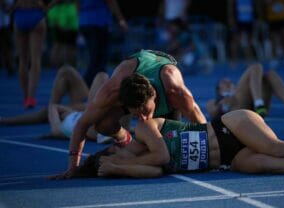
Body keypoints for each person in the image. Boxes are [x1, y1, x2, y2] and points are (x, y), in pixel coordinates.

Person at [52, 109, 284, 179]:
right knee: (270, 166)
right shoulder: (138, 164)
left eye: (115, 149)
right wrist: (111, 169)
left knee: (277, 148)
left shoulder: (144, 133)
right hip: (229, 159)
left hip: (229, 126)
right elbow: (154, 171)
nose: (119, 148)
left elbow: (162, 154)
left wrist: (115, 163)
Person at [60, 49, 207, 179]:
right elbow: (82, 124)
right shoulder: (112, 91)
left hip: (162, 74)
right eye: (136, 116)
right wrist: (73, 166)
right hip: (131, 75)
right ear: (122, 102)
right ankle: (125, 139)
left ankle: (136, 143)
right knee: (102, 125)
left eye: (145, 111)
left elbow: (204, 127)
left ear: (154, 96)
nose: (143, 119)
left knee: (172, 151)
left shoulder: (175, 92)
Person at [0, 65, 108, 142]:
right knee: (66, 71)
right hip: (90, 106)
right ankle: (52, 118)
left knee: (101, 77)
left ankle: (6, 120)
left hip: (90, 111)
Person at [206, 63, 284, 120]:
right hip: (238, 110)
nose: (229, 82)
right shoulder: (214, 101)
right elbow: (212, 112)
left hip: (254, 109)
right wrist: (221, 105)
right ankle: (259, 104)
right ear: (219, 90)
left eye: (230, 82)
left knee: (269, 75)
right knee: (256, 66)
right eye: (225, 83)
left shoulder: (242, 90)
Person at [11, 0, 47, 108]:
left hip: (20, 14)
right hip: (36, 13)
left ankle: (26, 97)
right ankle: (31, 98)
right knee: (35, 60)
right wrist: (47, 6)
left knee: (23, 60)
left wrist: (9, 7)